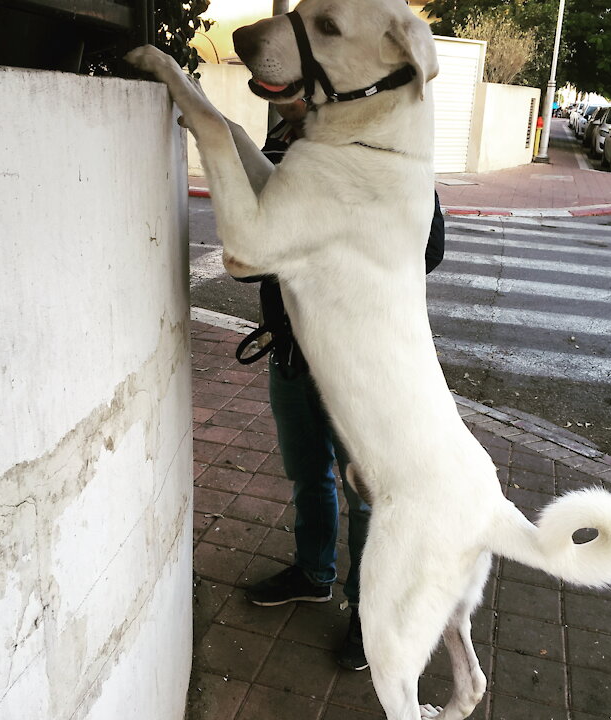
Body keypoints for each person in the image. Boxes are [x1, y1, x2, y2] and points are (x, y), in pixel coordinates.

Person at [235, 98, 446, 671]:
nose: (280, 91)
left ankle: (369, 611)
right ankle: (313, 572)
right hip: (292, 351)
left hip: (357, 362)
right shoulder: (283, 137)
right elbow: (254, 254)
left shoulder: (379, 144)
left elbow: (429, 249)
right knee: (307, 473)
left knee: (366, 493)